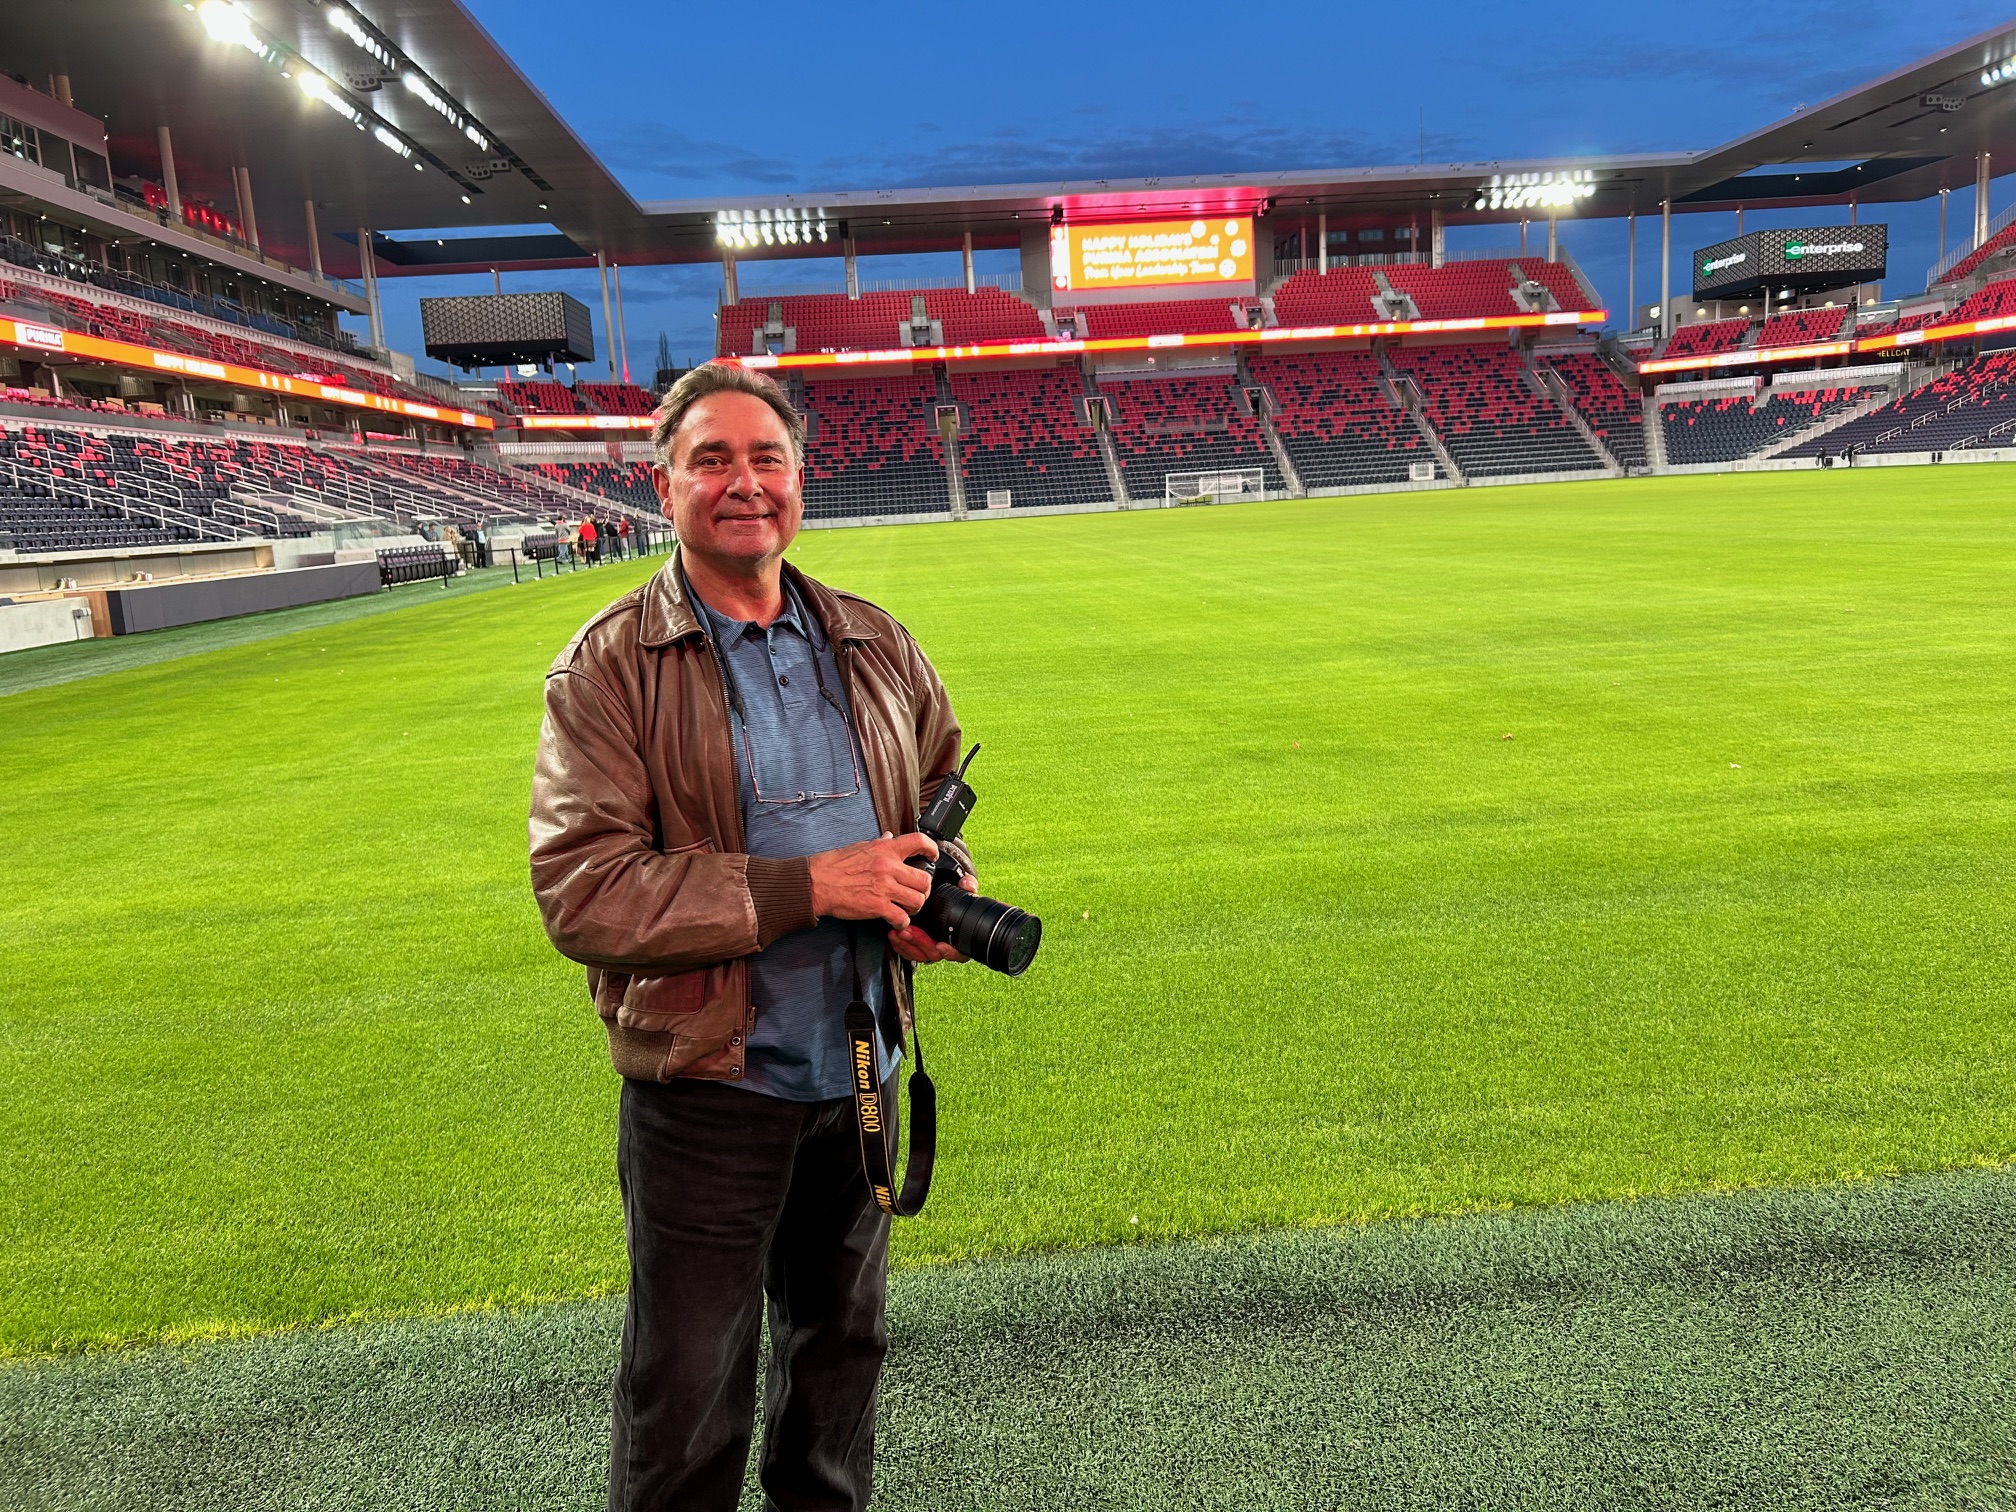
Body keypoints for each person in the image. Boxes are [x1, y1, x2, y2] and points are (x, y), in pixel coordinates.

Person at [528, 363, 977, 1512]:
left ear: (798, 478)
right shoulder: (608, 666)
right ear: (664, 485)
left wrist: (936, 889)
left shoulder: (873, 640)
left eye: (766, 457)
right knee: (686, 1404)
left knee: (840, 1369)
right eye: (712, 460)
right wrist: (811, 887)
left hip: (861, 1072)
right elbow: (585, 891)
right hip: (708, 1093)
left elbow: (934, 785)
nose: (745, 483)